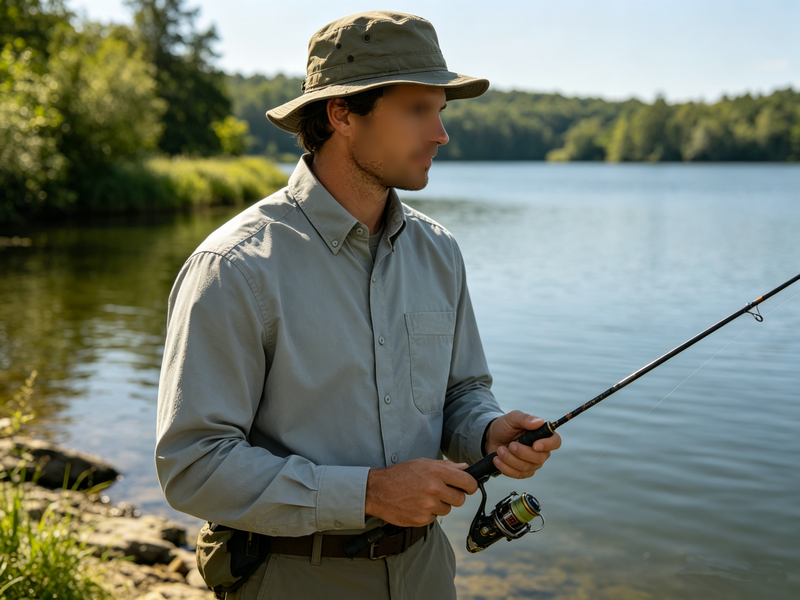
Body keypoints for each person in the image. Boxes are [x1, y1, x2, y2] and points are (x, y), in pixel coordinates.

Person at [155, 10, 561, 600]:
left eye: (440, 111)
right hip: (291, 578)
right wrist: (370, 493)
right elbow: (194, 465)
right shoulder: (234, 266)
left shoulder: (439, 251)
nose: (440, 134)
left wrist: (488, 431)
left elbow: (461, 392)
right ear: (341, 114)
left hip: (427, 573)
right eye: (417, 110)